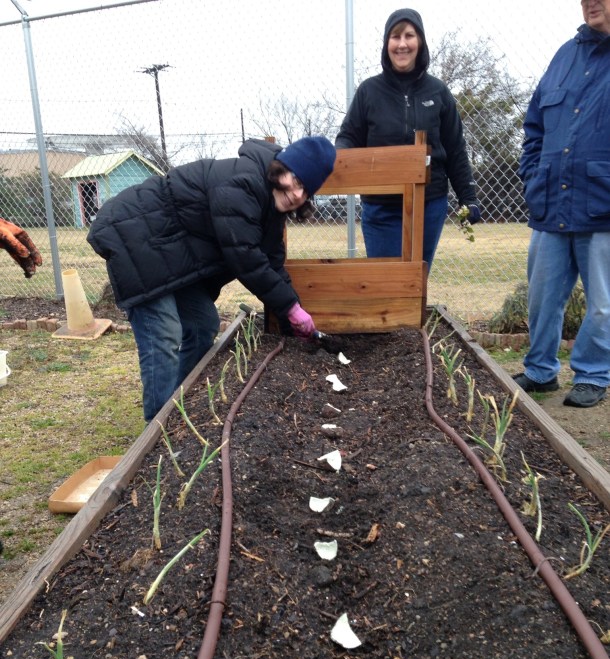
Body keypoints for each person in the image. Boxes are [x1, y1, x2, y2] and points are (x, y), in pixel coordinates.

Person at [87, 136, 336, 421]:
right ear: (281, 167)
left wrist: (293, 314)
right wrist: (291, 308)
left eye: (306, 190)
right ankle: (158, 432)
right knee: (163, 333)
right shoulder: (242, 182)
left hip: (169, 256)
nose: (296, 194)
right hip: (136, 238)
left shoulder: (271, 209)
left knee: (203, 324)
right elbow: (245, 256)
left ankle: (177, 406)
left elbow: (271, 263)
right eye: (297, 179)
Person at [513, 0, 610, 408]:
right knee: (542, 297)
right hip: (552, 204)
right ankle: (541, 370)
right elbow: (534, 125)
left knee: (603, 304)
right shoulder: (564, 56)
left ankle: (593, 373)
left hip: (603, 206)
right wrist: (533, 177)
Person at [334, 7, 480, 270]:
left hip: (428, 204)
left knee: (415, 282)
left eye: (409, 36)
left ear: (420, 42)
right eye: (395, 36)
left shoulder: (438, 92)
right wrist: (337, 161)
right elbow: (347, 138)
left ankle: (416, 312)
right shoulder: (369, 91)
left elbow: (455, 148)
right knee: (384, 282)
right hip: (380, 206)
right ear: (386, 44)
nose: (402, 44)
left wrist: (468, 197)